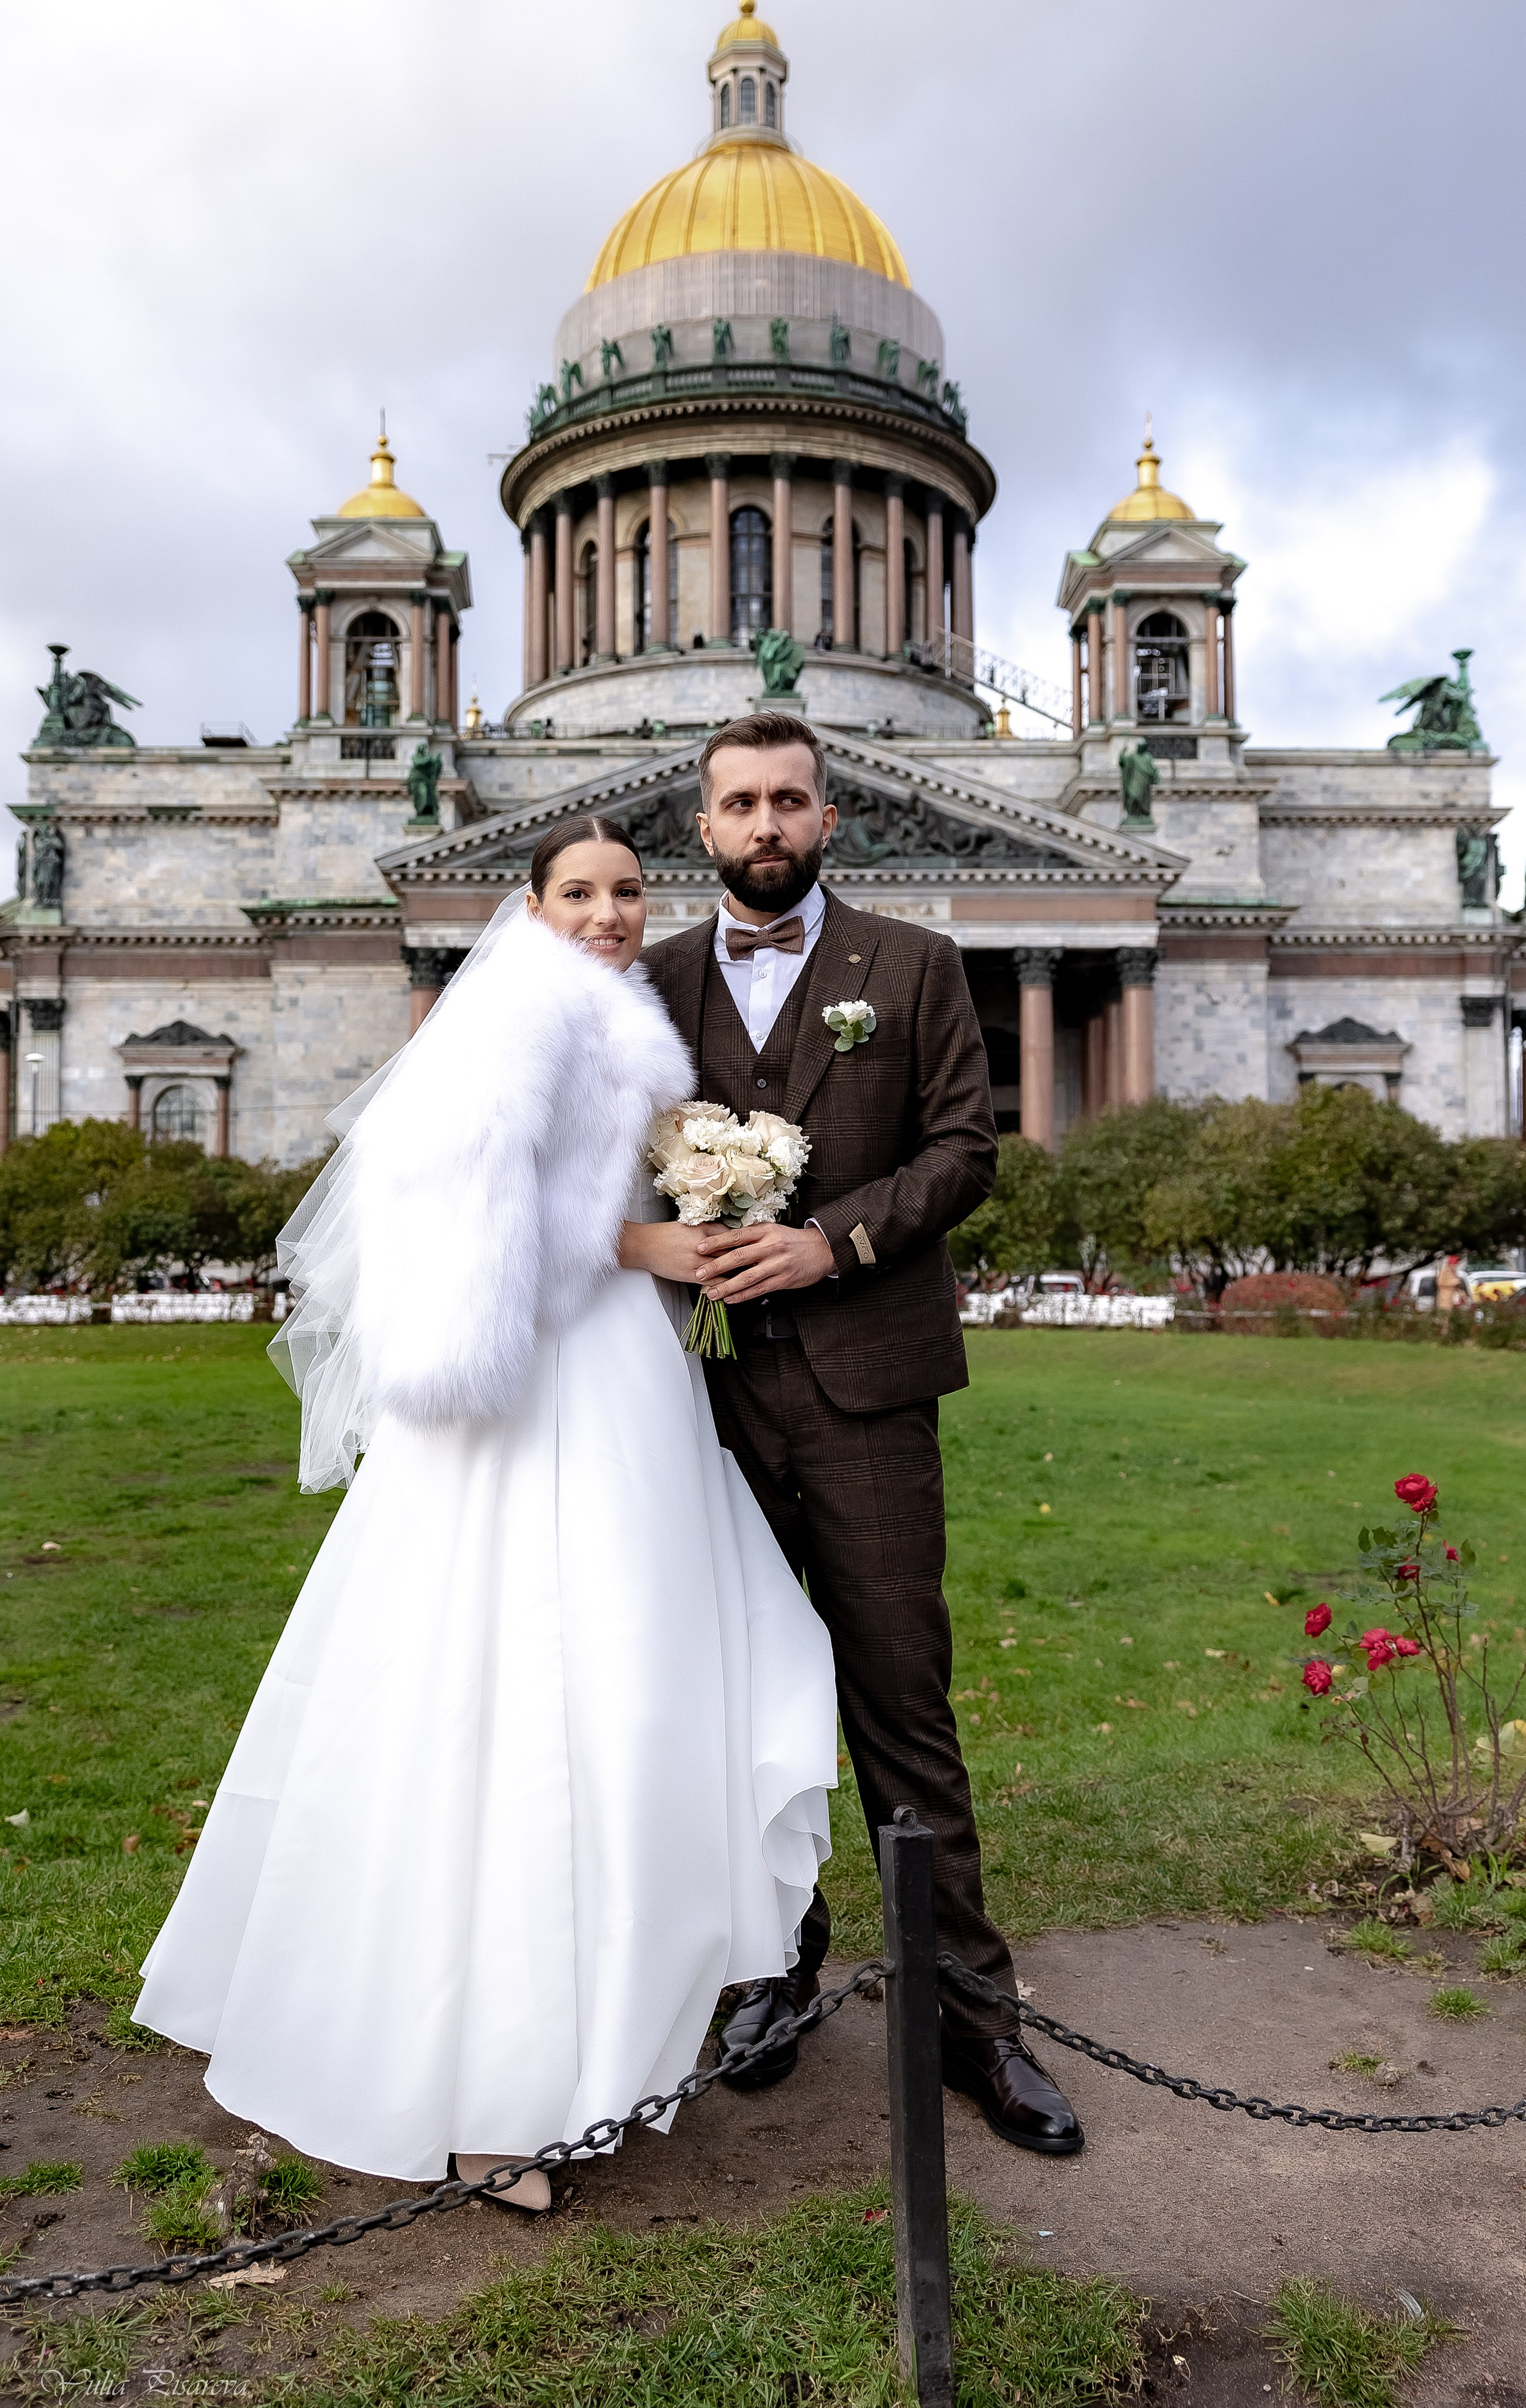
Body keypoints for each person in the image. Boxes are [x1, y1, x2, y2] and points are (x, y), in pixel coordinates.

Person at [132, 816, 838, 2208]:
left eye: (629, 891)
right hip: (544, 1386)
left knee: (617, 1690)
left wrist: (682, 1195)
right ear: (530, 905)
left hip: (616, 1379)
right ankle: (488, 2096)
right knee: (529, 1703)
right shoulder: (519, 1009)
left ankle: (585, 2026)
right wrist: (646, 1235)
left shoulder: (601, 1011)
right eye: (577, 891)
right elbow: (470, 1211)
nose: (609, 913)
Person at [632, 711, 1083, 2155]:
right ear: (699, 827)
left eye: (789, 802)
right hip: (693, 1402)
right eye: (738, 805)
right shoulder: (636, 987)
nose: (764, 825)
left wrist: (829, 1245)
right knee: (736, 1714)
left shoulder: (913, 963)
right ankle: (769, 1974)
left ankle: (974, 2024)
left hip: (866, 1389)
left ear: (829, 818)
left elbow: (965, 1148)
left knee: (901, 1703)